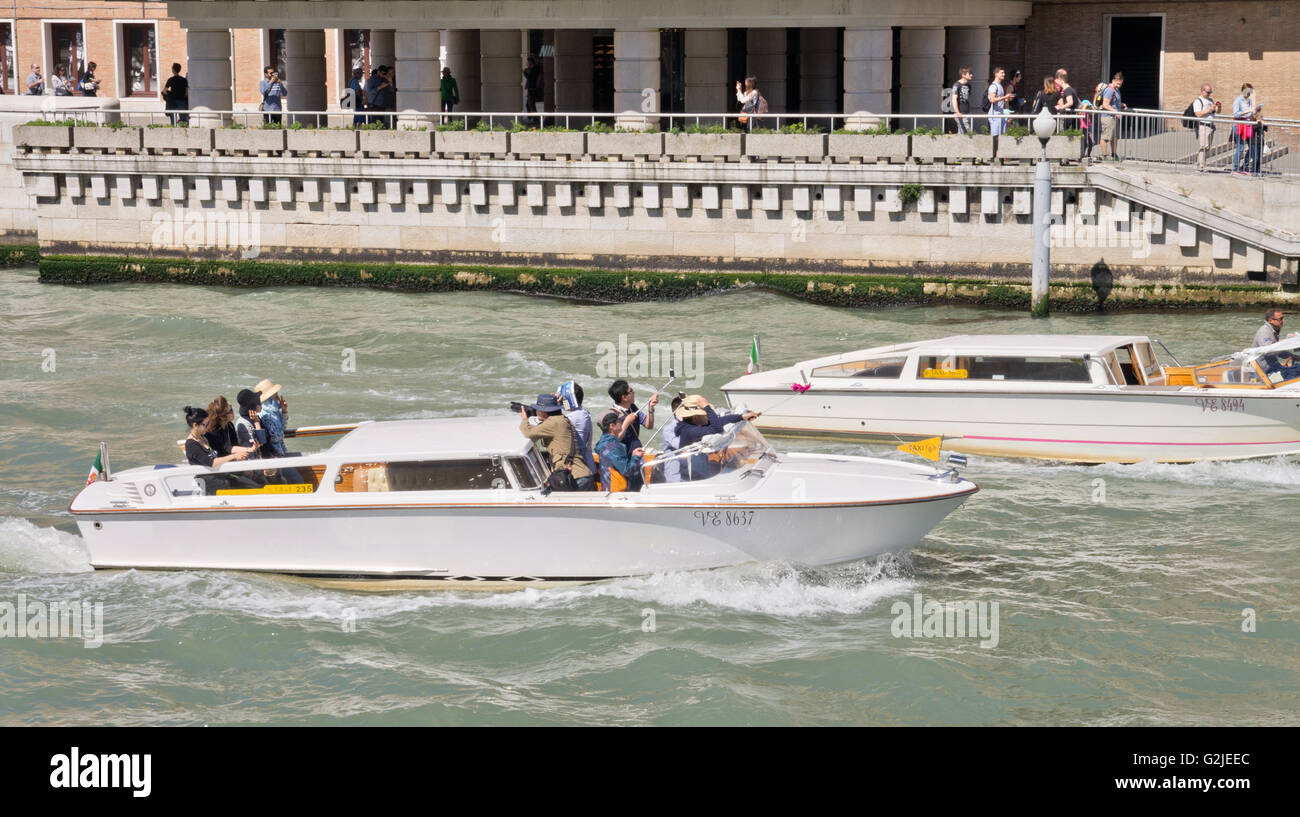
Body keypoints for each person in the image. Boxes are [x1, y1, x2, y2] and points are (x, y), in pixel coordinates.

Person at [518, 393, 594, 491]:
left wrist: (525, 420)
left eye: (538, 409)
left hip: (573, 477)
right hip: (581, 474)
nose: (536, 411)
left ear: (544, 411)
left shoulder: (553, 422)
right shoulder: (561, 419)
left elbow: (528, 433)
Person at [672, 397, 758, 481]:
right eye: (704, 414)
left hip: (701, 470)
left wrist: (742, 417)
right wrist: (707, 408)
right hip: (692, 478)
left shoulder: (695, 424)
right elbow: (717, 429)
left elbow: (721, 420)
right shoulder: (689, 431)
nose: (707, 416)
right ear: (695, 417)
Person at [558, 381, 598, 484]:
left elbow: (555, 424)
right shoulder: (582, 412)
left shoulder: (574, 417)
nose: (562, 401)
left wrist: (553, 406)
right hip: (587, 464)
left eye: (563, 399)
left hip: (580, 467)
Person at [594, 412, 645, 492]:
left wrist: (633, 455)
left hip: (609, 488)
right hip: (617, 492)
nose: (621, 422)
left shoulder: (604, 441)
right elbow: (627, 470)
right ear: (612, 426)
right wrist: (636, 457)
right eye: (619, 421)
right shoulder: (613, 446)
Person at [607, 379, 657, 450]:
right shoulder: (612, 416)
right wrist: (626, 423)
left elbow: (649, 425)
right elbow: (611, 444)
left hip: (635, 452)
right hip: (622, 456)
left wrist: (650, 408)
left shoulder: (632, 407)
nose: (633, 393)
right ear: (624, 397)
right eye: (631, 391)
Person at [235, 388, 272, 460]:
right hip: (253, 463)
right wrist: (257, 423)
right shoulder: (245, 424)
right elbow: (261, 443)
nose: (260, 403)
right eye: (258, 401)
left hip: (264, 458)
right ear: (252, 406)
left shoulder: (254, 418)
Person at [1097, 72, 1126, 161]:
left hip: (1114, 117)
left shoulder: (1117, 90)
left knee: (1114, 137)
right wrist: (1116, 112)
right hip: (1108, 117)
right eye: (1117, 83)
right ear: (1113, 80)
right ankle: (1104, 156)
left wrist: (1121, 105)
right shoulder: (1109, 90)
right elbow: (1105, 104)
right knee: (1105, 137)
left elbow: (1113, 103)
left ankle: (1114, 154)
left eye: (1120, 84)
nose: (1119, 85)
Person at [1191, 83, 1220, 172]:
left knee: (1207, 147)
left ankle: (1201, 164)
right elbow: (1197, 114)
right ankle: (1201, 166)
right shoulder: (1198, 101)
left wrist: (1218, 107)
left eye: (1210, 92)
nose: (1209, 94)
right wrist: (1209, 110)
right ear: (1202, 91)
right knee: (1203, 146)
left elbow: (1217, 112)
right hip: (1203, 125)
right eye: (1208, 92)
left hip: (1211, 126)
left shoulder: (1210, 100)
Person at [1231, 84, 1259, 175]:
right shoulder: (1238, 100)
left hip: (1248, 125)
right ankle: (1235, 168)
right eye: (1248, 92)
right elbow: (1236, 114)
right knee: (1240, 148)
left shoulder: (1249, 101)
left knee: (1251, 147)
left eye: (1250, 92)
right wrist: (1247, 111)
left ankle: (1245, 167)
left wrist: (1255, 112)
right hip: (1239, 125)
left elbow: (1250, 114)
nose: (1249, 94)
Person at [986, 67, 1014, 136]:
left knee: (1002, 136)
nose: (1004, 74)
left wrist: (1008, 98)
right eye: (1002, 73)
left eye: (1004, 73)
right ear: (996, 74)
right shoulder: (993, 86)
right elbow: (992, 100)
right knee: (995, 137)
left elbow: (1000, 99)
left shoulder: (1000, 86)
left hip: (1000, 114)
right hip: (994, 115)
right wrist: (1005, 97)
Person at [951, 67, 974, 134]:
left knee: (961, 133)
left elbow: (967, 98)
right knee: (968, 133)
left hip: (967, 112)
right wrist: (957, 112)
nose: (971, 75)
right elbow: (954, 99)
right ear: (963, 75)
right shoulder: (956, 85)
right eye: (969, 74)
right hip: (960, 113)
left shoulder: (969, 85)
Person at [523, 55, 543, 125]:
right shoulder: (532, 68)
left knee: (531, 104)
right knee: (528, 104)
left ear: (531, 62)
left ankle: (535, 119)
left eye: (528, 61)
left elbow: (530, 77)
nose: (527, 63)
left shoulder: (535, 68)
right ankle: (531, 118)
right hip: (531, 88)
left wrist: (524, 72)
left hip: (532, 88)